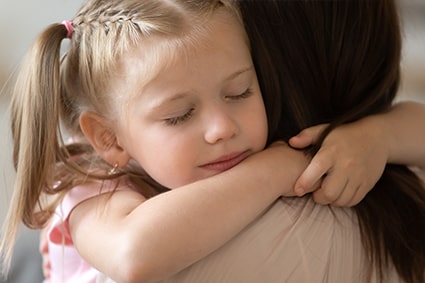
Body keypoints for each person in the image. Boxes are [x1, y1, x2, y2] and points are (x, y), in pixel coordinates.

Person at [0, 0, 424, 282]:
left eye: (240, 92)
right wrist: (279, 167)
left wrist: (378, 135)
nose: (222, 127)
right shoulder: (95, 188)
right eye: (179, 115)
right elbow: (135, 255)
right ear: (111, 140)